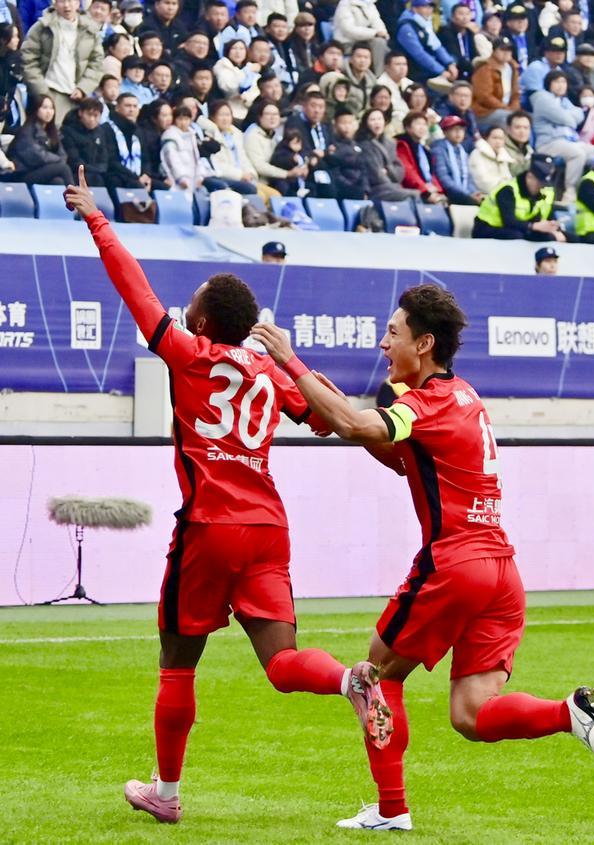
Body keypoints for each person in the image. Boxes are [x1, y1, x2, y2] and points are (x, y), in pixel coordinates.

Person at [64, 166, 391, 825]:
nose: (184, 304)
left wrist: (96, 218)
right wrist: (297, 366)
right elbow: (325, 416)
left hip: (210, 525)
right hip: (268, 526)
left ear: (204, 318)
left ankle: (166, 793)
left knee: (177, 660)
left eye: (193, 299)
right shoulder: (269, 369)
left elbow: (133, 287)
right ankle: (345, 678)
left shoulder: (188, 352)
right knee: (283, 661)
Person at [251, 285, 594, 833]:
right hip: (501, 573)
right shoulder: (463, 396)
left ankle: (391, 810)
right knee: (471, 714)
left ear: (424, 344)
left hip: (455, 563)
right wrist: (330, 407)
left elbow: (358, 425)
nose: (384, 344)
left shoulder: (426, 403)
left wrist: (291, 361)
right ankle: (567, 713)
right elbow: (401, 457)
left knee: (376, 675)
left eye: (393, 333)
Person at [21, 0, 104, 126]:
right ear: (54, 3)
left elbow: (97, 63)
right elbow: (28, 59)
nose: (66, 5)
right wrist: (41, 90)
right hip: (50, 92)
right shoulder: (42, 27)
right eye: (61, 1)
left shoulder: (91, 29)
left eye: (71, 1)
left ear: (78, 3)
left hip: (78, 95)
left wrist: (83, 88)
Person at [531, 69, 594, 203]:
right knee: (577, 154)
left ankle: (590, 190)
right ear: (549, 84)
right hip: (548, 143)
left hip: (569, 141)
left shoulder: (564, 101)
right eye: (557, 82)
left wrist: (569, 117)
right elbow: (567, 119)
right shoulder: (542, 98)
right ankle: (570, 191)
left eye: (563, 82)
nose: (561, 85)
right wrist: (570, 118)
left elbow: (579, 114)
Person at [472, 153, 565, 240]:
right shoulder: (508, 190)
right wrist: (534, 226)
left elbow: (547, 215)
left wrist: (553, 227)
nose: (542, 187)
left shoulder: (545, 191)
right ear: (529, 177)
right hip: (488, 227)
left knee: (557, 236)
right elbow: (509, 221)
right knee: (518, 235)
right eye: (539, 182)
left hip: (519, 227)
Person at [8, 92, 73, 184]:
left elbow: (62, 154)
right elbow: (36, 156)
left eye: (51, 108)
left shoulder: (52, 132)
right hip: (23, 174)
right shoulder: (26, 131)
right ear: (36, 109)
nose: (49, 112)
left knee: (57, 182)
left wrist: (58, 160)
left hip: (41, 170)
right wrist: (58, 160)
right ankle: (75, 193)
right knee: (63, 168)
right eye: (44, 108)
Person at [357, 106, 420, 200]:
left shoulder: (390, 143)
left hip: (392, 186)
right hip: (375, 188)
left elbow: (400, 170)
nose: (377, 122)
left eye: (380, 119)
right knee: (412, 195)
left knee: (416, 195)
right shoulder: (363, 143)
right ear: (366, 123)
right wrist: (390, 177)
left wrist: (388, 170)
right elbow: (375, 173)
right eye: (373, 120)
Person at [395, 0, 457, 92]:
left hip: (430, 70)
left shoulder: (425, 23)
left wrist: (450, 63)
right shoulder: (406, 27)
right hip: (415, 72)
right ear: (415, 8)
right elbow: (419, 54)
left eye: (431, 7)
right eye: (425, 7)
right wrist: (441, 71)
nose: (429, 10)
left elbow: (437, 46)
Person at [245, 99, 307, 187]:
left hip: (276, 180)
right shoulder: (252, 135)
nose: (272, 117)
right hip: (259, 183)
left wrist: (303, 167)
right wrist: (287, 174)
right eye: (268, 114)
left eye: (275, 114)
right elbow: (260, 166)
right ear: (260, 117)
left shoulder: (275, 135)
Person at [431, 114, 484, 205]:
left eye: (461, 129)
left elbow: (468, 178)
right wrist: (467, 195)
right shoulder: (438, 150)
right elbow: (443, 178)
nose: (458, 132)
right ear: (444, 132)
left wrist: (474, 192)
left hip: (464, 195)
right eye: (453, 129)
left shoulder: (463, 152)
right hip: (448, 196)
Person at [395, 109, 447, 201]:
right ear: (408, 127)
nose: (422, 127)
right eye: (418, 124)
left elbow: (431, 174)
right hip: (414, 191)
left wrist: (438, 191)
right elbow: (409, 172)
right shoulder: (401, 145)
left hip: (428, 189)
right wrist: (425, 190)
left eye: (424, 124)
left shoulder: (425, 149)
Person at [471, 36, 520, 131]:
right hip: (485, 112)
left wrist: (514, 107)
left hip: (506, 109)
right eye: (502, 49)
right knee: (508, 118)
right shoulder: (485, 69)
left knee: (524, 119)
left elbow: (516, 93)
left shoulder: (512, 68)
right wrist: (505, 107)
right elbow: (484, 96)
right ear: (494, 51)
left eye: (509, 50)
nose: (506, 53)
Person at [61, 97, 112, 185]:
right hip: (76, 173)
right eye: (89, 114)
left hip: (97, 172)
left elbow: (104, 158)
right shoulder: (68, 131)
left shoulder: (100, 132)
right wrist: (94, 170)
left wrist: (98, 170)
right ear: (80, 113)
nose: (92, 119)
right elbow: (74, 160)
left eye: (95, 116)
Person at [332, 0, 390, 76]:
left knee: (384, 44)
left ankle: (383, 76)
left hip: (364, 40)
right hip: (347, 42)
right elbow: (348, 30)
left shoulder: (370, 4)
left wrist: (383, 34)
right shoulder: (345, 4)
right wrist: (374, 33)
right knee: (379, 43)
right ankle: (379, 76)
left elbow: (378, 24)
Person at [325, 104, 370, 199]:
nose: (347, 127)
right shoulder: (332, 146)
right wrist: (353, 189)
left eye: (350, 123)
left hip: (360, 191)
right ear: (335, 124)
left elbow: (364, 170)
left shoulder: (357, 146)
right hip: (344, 192)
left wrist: (365, 189)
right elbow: (336, 174)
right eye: (343, 123)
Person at [159, 103, 207, 193]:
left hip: (193, 178)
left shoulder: (192, 135)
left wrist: (200, 176)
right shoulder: (170, 136)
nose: (183, 122)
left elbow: (196, 157)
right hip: (177, 180)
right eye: (180, 119)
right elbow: (172, 160)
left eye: (186, 119)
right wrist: (180, 177)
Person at [214, 38, 261, 121]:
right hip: (232, 112)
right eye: (234, 48)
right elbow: (229, 86)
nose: (238, 52)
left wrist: (246, 97)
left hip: (250, 111)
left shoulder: (250, 68)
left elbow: (256, 91)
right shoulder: (222, 65)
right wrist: (245, 72)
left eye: (241, 49)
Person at [519, 35, 567, 104]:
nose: (559, 54)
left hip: (551, 105)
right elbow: (536, 96)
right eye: (555, 51)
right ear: (546, 53)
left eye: (562, 51)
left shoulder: (559, 70)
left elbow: (562, 99)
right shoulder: (536, 67)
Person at [438, 3, 480, 80]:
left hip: (470, 72)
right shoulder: (445, 31)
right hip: (453, 72)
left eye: (467, 14)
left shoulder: (469, 33)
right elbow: (454, 55)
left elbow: (474, 54)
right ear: (452, 17)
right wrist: (474, 68)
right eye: (461, 14)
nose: (465, 17)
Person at [468, 123, 514, 194]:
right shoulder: (477, 154)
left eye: (501, 138)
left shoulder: (503, 156)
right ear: (486, 138)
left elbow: (508, 179)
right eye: (495, 138)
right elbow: (483, 183)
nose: (498, 141)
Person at [437, 80, 480, 152]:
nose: (463, 99)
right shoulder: (443, 113)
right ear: (451, 96)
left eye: (466, 96)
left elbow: (474, 135)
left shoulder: (469, 114)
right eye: (460, 95)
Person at [265, 12, 299, 95]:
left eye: (284, 27)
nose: (281, 30)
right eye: (276, 26)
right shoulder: (265, 46)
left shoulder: (290, 46)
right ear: (268, 29)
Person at [342, 41, 377, 118]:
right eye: (359, 56)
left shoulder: (373, 81)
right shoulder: (342, 78)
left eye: (366, 57)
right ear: (351, 59)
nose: (362, 60)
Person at [502, 3, 535, 73]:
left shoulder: (531, 37)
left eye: (523, 18)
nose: (521, 22)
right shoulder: (503, 38)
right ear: (508, 22)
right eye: (516, 19)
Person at [504, 109, 533, 175]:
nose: (522, 131)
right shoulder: (502, 149)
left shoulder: (528, 148)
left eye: (526, 128)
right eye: (517, 127)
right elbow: (513, 173)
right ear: (508, 129)